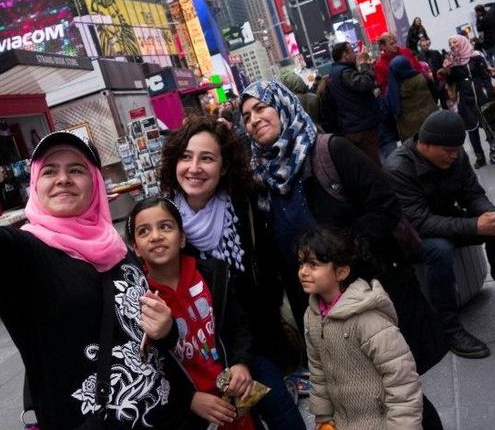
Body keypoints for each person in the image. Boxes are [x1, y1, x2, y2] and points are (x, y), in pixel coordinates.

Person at [0, 69, 192, 429]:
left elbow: (150, 336)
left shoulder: (118, 249)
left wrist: (166, 330)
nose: (63, 179)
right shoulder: (20, 252)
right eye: (49, 171)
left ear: (95, 185)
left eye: (76, 170)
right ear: (34, 186)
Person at [240, 80, 446, 429]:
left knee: (399, 392)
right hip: (320, 314)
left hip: (365, 296)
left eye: (261, 108)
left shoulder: (328, 151)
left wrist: (340, 257)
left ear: (284, 106)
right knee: (354, 396)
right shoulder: (261, 180)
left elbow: (385, 204)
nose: (254, 119)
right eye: (245, 116)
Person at [158, 117, 307, 429]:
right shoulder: (162, 222)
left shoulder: (245, 204)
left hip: (253, 342)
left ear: (223, 167)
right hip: (198, 355)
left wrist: (249, 351)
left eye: (207, 158)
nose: (194, 168)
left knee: (281, 413)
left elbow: (268, 269)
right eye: (186, 157)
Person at [384, 110, 495, 359]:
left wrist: (492, 216)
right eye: (448, 151)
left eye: (457, 149)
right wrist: (475, 226)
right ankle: (448, 327)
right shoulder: (398, 168)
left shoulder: (455, 155)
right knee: (439, 248)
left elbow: (473, 194)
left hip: (446, 218)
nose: (454, 155)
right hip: (412, 235)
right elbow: (419, 222)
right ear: (425, 144)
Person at [127, 197, 256, 430]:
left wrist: (241, 364)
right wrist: (188, 398)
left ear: (183, 237)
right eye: (144, 231)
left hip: (234, 395)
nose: (155, 236)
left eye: (165, 226)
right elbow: (147, 365)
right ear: (135, 247)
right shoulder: (138, 299)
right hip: (189, 412)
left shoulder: (213, 276)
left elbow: (240, 325)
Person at [299, 228, 423, 430]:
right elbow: (318, 371)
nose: (303, 271)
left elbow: (402, 380)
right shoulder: (311, 316)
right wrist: (323, 417)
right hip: (343, 422)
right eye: (302, 263)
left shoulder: (367, 318)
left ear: (341, 272)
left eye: (313, 264)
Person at [444, 34, 495, 169]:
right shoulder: (452, 61)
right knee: (471, 129)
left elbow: (485, 75)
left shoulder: (476, 55)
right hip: (465, 98)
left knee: (488, 124)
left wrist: (489, 92)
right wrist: (448, 70)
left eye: (455, 42)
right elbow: (451, 82)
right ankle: (480, 156)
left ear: (462, 42)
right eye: (450, 44)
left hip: (481, 94)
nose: (452, 46)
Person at [327, 42, 383, 165]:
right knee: (374, 167)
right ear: (345, 55)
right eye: (352, 51)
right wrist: (363, 64)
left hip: (352, 126)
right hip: (361, 127)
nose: (356, 53)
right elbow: (365, 84)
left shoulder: (334, 73)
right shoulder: (344, 72)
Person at [386, 55, 438, 142]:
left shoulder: (393, 90)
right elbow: (435, 94)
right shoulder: (423, 78)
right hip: (431, 120)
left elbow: (391, 110)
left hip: (409, 130)